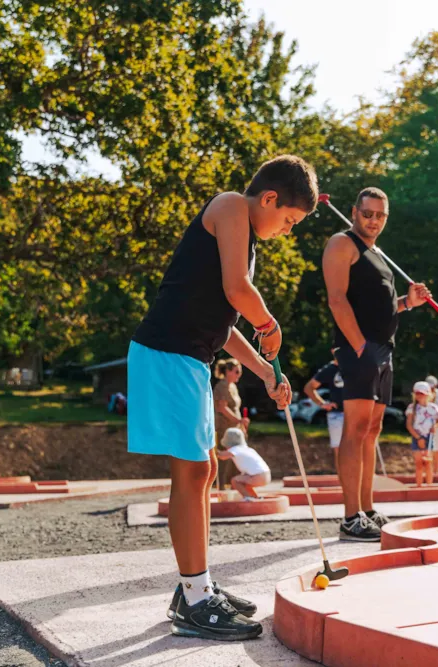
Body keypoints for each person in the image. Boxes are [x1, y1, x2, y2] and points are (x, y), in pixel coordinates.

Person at [126, 155, 315, 640]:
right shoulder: (232, 206)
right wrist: (269, 323)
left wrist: (266, 373)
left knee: (205, 469)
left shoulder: (245, 240)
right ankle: (195, 599)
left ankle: (197, 587)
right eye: (290, 221)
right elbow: (239, 291)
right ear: (269, 198)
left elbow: (227, 321)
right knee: (192, 471)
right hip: (168, 352)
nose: (287, 231)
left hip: (191, 358)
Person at [323, 186, 432, 542]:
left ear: (386, 217)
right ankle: (350, 517)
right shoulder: (342, 244)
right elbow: (337, 301)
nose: (372, 220)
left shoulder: (377, 255)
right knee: (354, 432)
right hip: (361, 350)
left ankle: (366, 510)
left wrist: (407, 302)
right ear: (354, 212)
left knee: (372, 431)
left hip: (383, 349)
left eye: (379, 215)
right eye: (367, 213)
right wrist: (359, 348)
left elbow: (382, 308)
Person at [304, 351, 344, 472]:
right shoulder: (330, 369)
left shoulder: (355, 365)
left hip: (355, 413)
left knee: (358, 448)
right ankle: (344, 481)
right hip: (337, 415)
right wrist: (322, 403)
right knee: (339, 450)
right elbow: (309, 387)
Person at [213, 358, 249, 488]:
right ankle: (220, 486)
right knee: (224, 458)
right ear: (228, 371)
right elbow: (222, 408)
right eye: (236, 372)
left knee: (236, 457)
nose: (239, 375)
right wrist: (239, 420)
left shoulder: (233, 386)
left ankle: (233, 484)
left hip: (235, 428)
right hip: (225, 428)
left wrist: (241, 424)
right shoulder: (222, 386)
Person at [216, 427, 271, 499]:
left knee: (235, 481)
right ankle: (255, 497)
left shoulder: (235, 449)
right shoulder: (246, 449)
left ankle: (247, 497)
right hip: (266, 474)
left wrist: (213, 450)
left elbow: (222, 456)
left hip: (258, 476)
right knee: (243, 484)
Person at [406, 381, 438, 486]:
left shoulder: (433, 408)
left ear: (428, 394)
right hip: (417, 437)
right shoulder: (412, 408)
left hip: (428, 437)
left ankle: (429, 486)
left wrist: (434, 427)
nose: (420, 396)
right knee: (419, 463)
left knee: (428, 462)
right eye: (417, 394)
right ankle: (419, 485)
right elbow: (409, 425)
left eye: (422, 394)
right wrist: (418, 438)